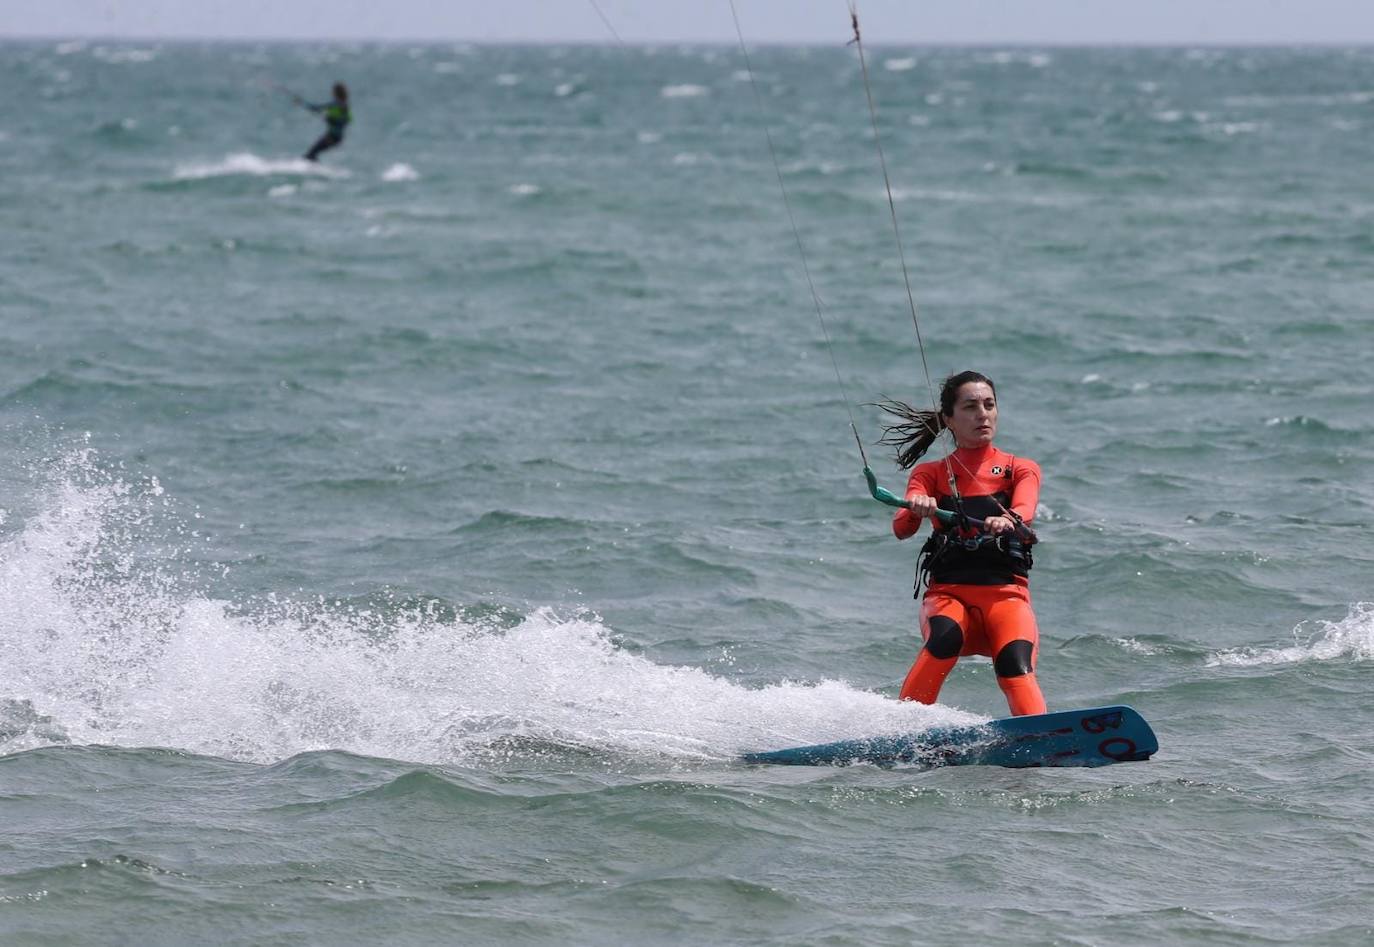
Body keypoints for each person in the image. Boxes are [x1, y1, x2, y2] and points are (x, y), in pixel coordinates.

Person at [878, 371, 1047, 717]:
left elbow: (1025, 509)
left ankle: (1039, 735)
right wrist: (917, 508)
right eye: (970, 407)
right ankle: (905, 727)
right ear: (949, 420)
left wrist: (1009, 519)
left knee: (1015, 662)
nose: (982, 414)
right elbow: (901, 528)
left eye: (989, 405)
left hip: (1006, 597)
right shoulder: (932, 473)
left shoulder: (1020, 468)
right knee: (944, 640)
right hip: (948, 596)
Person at [302, 82, 351, 162]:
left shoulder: (338, 105)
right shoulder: (342, 105)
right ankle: (313, 166)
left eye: (333, 91)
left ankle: (312, 167)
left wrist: (332, 120)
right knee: (312, 153)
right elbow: (346, 120)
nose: (332, 93)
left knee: (311, 153)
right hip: (335, 137)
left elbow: (345, 120)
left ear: (336, 93)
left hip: (333, 137)